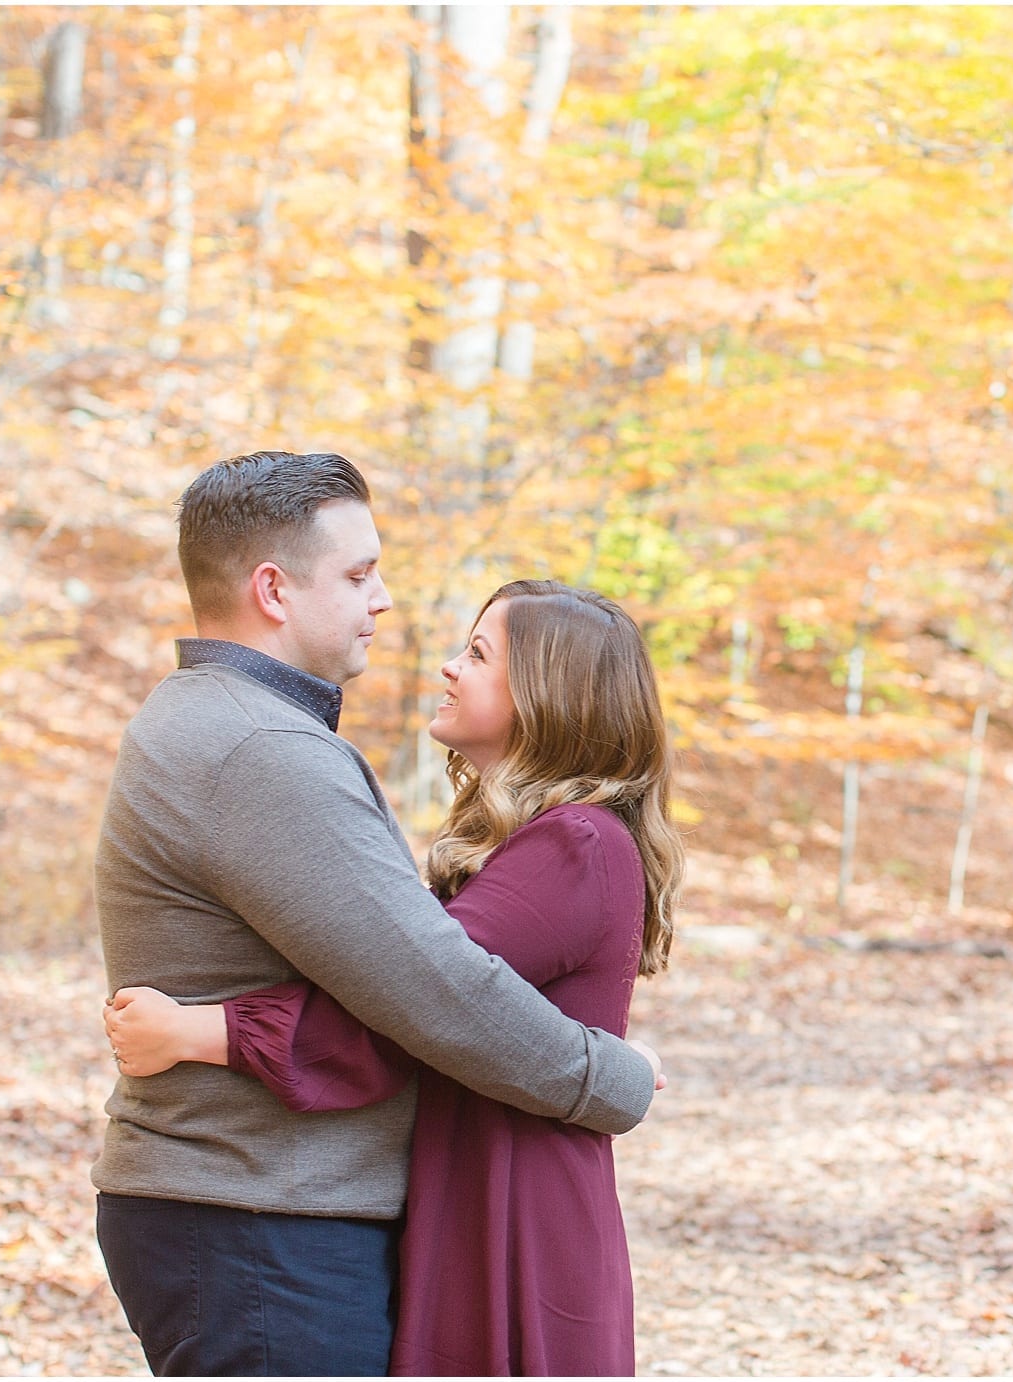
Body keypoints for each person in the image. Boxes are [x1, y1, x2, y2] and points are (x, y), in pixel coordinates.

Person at [93, 453, 662, 1377]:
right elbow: (431, 991)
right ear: (273, 590)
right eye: (359, 574)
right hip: (257, 1216)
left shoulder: (236, 728)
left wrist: (208, 1032)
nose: (386, 600)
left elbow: (412, 984)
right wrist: (614, 1078)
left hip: (265, 1208)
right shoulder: (260, 748)